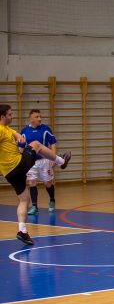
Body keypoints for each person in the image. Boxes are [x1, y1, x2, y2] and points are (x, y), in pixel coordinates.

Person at [0, 104, 71, 244]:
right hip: (17, 164)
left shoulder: (7, 129)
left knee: (24, 200)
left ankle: (22, 231)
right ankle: (61, 161)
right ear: (2, 116)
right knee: (36, 144)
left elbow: (14, 133)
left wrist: (18, 136)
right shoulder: (1, 130)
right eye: (9, 114)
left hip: (9, 173)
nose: (12, 116)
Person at [21, 109, 58, 215]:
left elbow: (53, 144)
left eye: (40, 116)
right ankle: (34, 207)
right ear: (31, 119)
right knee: (31, 182)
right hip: (31, 161)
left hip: (44, 160)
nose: (40, 119)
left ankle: (52, 199)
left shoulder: (46, 129)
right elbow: (21, 147)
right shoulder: (24, 131)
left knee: (48, 183)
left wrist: (53, 158)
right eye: (37, 117)